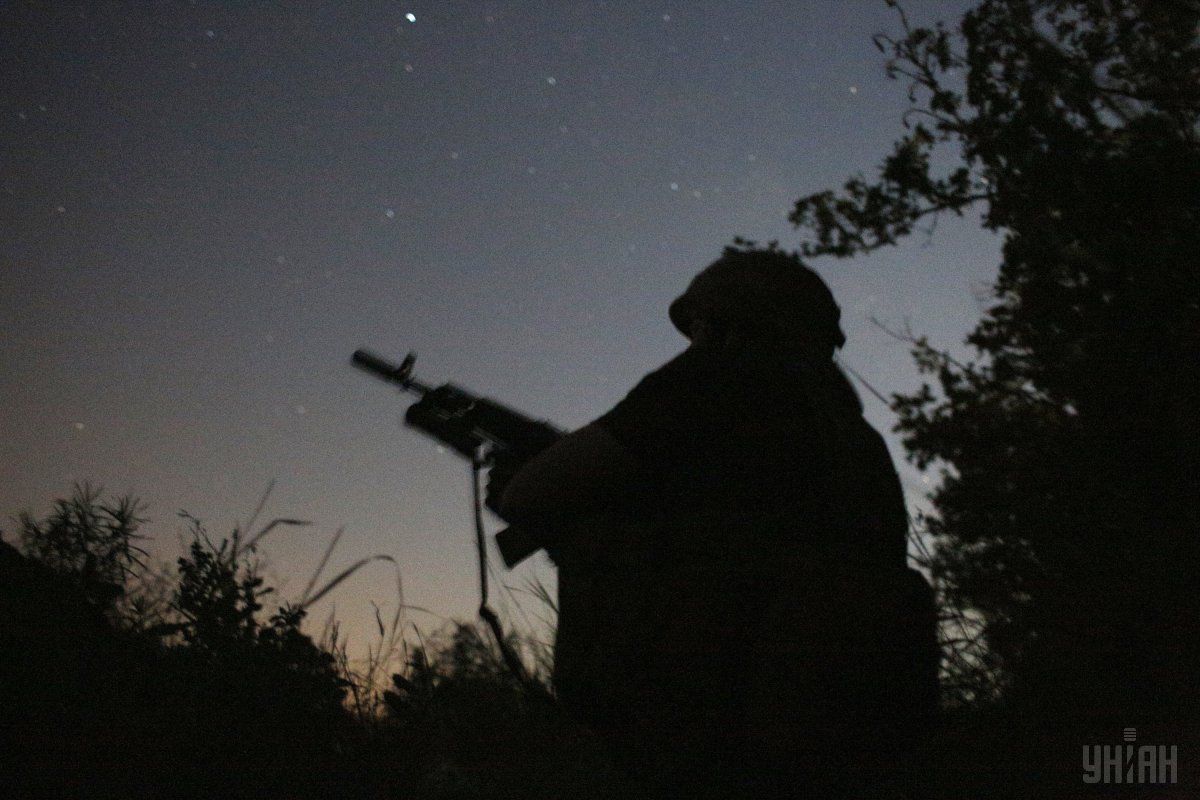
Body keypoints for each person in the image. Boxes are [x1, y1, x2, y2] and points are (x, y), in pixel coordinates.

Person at [489, 246, 939, 798]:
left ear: (731, 323)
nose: (693, 340)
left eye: (701, 324)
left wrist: (532, 480)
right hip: (849, 726)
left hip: (714, 721)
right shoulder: (855, 438)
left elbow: (532, 495)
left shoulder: (707, 383)